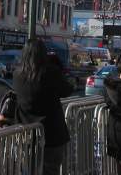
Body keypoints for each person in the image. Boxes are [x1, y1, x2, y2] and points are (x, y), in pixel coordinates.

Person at [13, 39, 74, 175]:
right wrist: (58, 69)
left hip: (27, 134)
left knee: (29, 170)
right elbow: (67, 90)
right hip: (52, 134)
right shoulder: (50, 72)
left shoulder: (18, 74)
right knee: (50, 169)